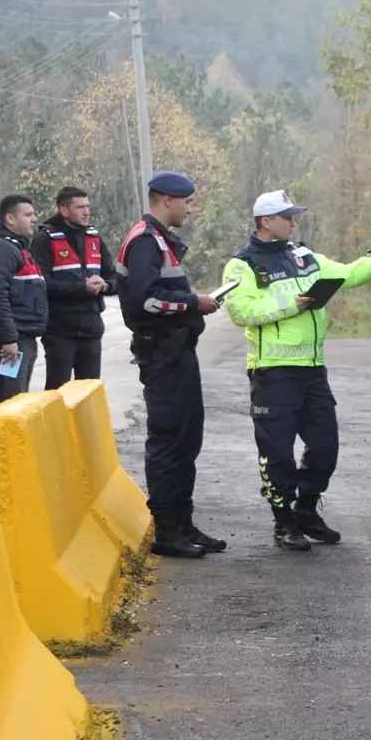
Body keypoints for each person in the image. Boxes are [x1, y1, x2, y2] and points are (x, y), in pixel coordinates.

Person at [220, 190, 371, 550]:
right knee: (276, 452)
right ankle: (283, 520)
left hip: (312, 370)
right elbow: (241, 311)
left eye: (294, 216)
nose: (293, 222)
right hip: (273, 372)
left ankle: (306, 509)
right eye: (287, 217)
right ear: (265, 221)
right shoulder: (242, 264)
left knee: (326, 447)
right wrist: (294, 304)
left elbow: (348, 274)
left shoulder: (304, 255)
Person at [115, 172, 222, 559]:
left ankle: (184, 523)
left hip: (178, 352)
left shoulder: (161, 240)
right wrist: (194, 303)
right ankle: (167, 531)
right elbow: (146, 301)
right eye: (186, 202)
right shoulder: (144, 241)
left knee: (187, 439)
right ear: (166, 200)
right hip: (161, 355)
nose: (189, 209)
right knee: (168, 441)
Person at [30, 185, 117, 389]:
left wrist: (105, 285)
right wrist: (81, 288)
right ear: (64, 210)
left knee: (88, 394)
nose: (86, 212)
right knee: (57, 393)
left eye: (87, 206)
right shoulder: (45, 239)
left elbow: (115, 277)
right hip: (59, 330)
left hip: (92, 328)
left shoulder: (94, 237)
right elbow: (41, 284)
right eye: (80, 207)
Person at [0, 194, 47, 405]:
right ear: (10, 219)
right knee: (11, 404)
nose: (34, 219)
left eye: (33, 214)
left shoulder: (18, 247)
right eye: (28, 214)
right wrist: (9, 340)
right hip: (8, 344)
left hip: (21, 338)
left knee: (18, 402)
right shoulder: (1, 249)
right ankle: (6, 440)